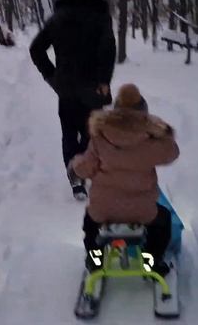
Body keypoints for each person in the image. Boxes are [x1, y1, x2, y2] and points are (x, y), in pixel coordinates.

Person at [69, 84, 180, 275]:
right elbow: (172, 153)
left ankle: (95, 260)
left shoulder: (100, 136)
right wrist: (162, 131)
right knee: (163, 222)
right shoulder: (151, 140)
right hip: (142, 209)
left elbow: (85, 168)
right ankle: (151, 262)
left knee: (90, 225)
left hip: (104, 208)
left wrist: (75, 165)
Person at [30, 0, 116, 199]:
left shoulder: (59, 16)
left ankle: (75, 177)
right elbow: (108, 51)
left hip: (66, 87)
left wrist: (51, 75)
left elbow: (36, 48)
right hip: (94, 87)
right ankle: (86, 170)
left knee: (69, 133)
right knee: (92, 133)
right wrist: (104, 80)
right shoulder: (100, 15)